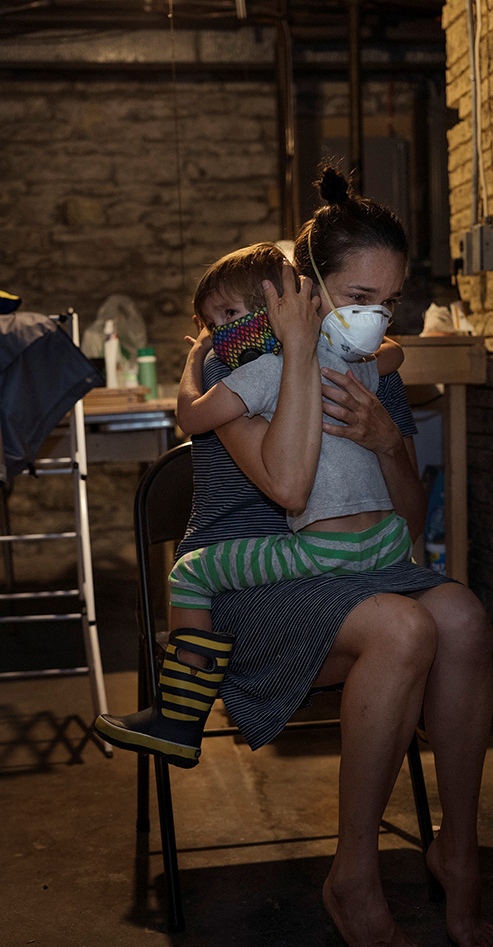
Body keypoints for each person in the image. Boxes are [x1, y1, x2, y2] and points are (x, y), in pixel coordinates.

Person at [109, 168, 493, 947]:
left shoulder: (362, 360)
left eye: (388, 299)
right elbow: (286, 487)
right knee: (407, 626)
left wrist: (389, 439)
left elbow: (409, 509)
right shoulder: (248, 360)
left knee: (461, 614)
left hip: (358, 567)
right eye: (360, 293)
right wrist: (271, 353)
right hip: (252, 592)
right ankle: (354, 881)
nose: (375, 314)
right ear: (308, 286)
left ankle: (456, 850)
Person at [92, 241, 408, 767]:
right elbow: (394, 353)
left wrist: (194, 361)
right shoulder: (342, 365)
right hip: (391, 546)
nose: (219, 333)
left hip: (329, 551)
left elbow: (190, 418)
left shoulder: (257, 373)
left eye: (230, 315)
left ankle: (178, 716)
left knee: (191, 571)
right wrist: (338, 339)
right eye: (212, 323)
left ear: (274, 309)